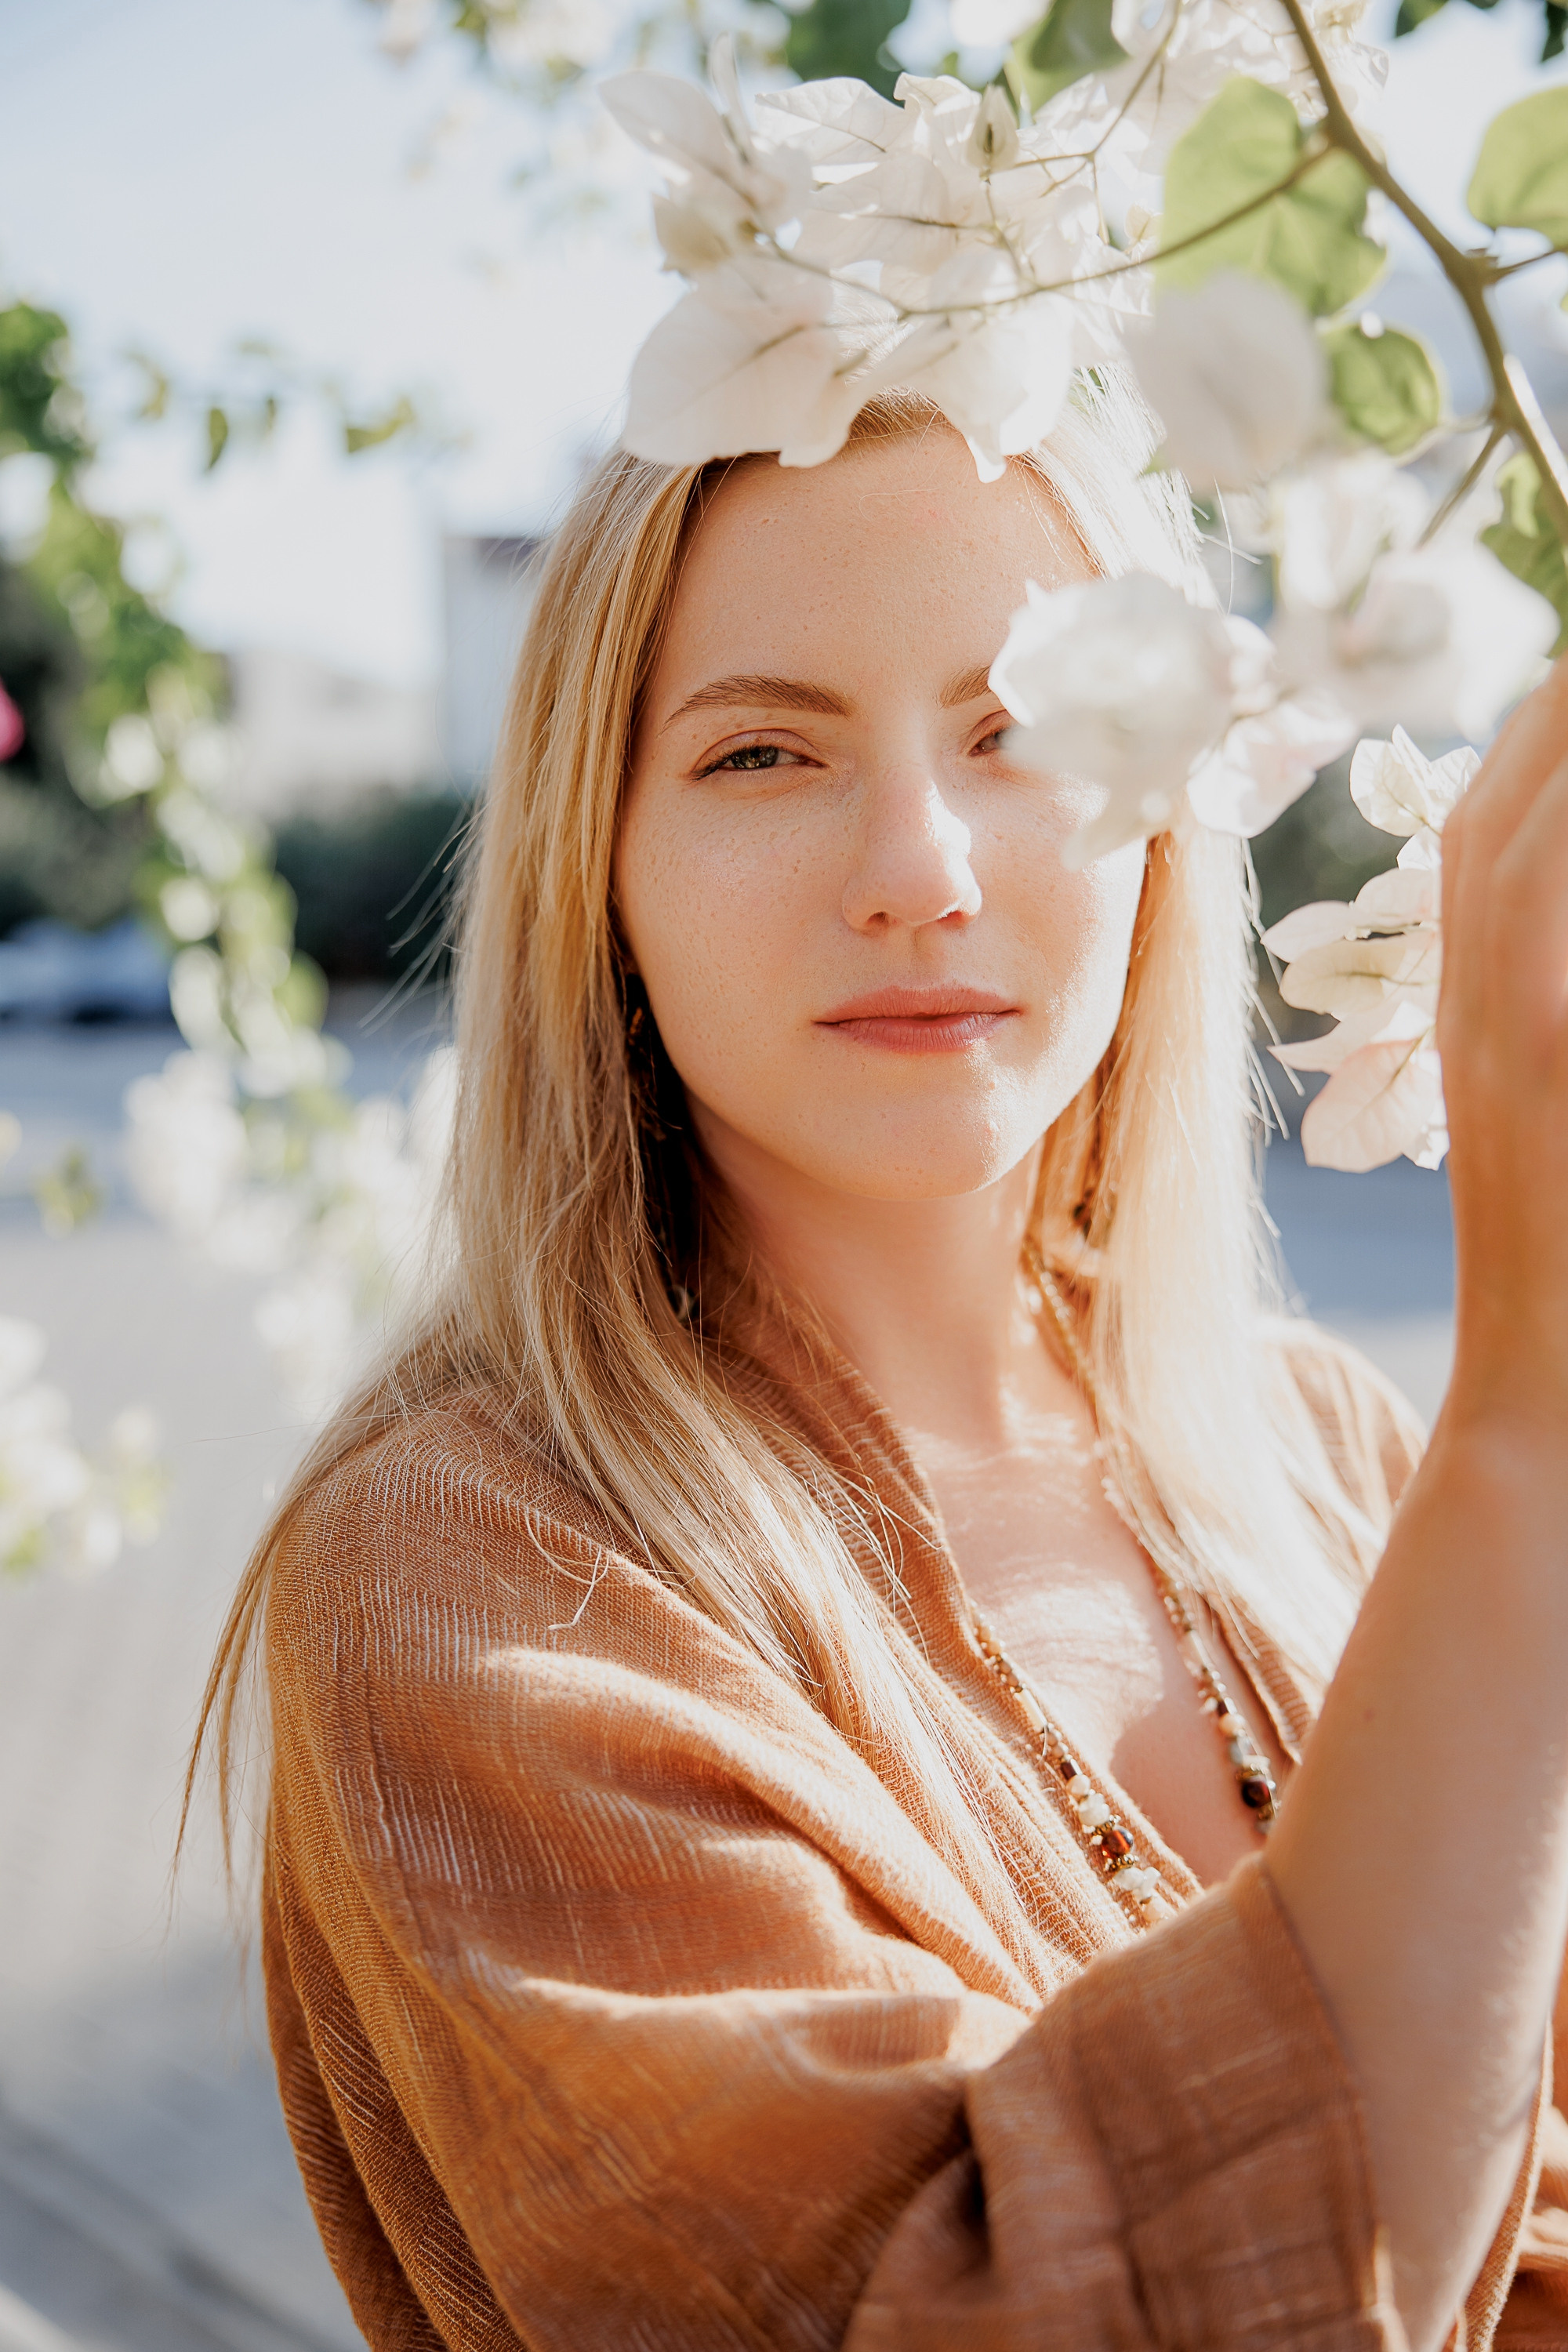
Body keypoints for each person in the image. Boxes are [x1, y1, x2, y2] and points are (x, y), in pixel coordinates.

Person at [201, 379, 1568, 2350]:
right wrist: (1525, 1427)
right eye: (762, 751)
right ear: (602, 871)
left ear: (1166, 832)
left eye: (1026, 734)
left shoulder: (1327, 1447)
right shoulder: (467, 1582)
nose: (918, 867)